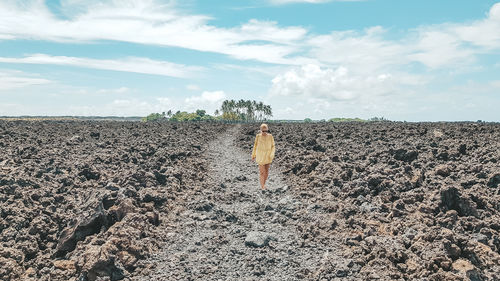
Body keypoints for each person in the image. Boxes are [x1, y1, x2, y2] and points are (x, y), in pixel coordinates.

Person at [251, 123, 275, 190]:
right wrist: (253, 155)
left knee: (266, 172)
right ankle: (262, 186)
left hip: (268, 156)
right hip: (260, 156)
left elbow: (273, 146)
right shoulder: (258, 136)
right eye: (263, 131)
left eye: (266, 131)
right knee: (262, 172)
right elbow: (255, 146)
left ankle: (263, 184)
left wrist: (272, 154)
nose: (264, 132)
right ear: (260, 130)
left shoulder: (270, 136)